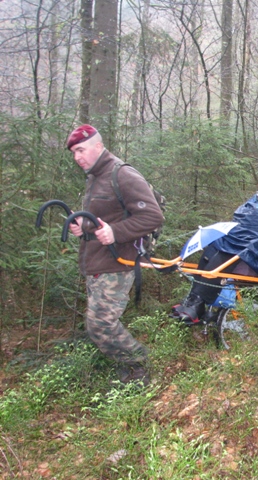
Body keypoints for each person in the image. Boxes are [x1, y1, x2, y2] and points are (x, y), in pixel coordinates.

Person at [67, 124, 164, 386]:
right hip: (98, 261)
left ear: (98, 146)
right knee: (100, 323)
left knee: (100, 325)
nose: (77, 157)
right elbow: (105, 216)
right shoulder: (95, 176)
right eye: (74, 152)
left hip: (118, 262)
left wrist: (116, 232)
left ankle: (139, 370)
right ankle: (130, 369)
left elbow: (153, 216)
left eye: (81, 150)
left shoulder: (122, 174)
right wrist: (83, 226)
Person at [171, 174, 258, 323]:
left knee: (230, 250)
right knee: (216, 244)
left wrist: (252, 242)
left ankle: (198, 303)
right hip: (251, 253)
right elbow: (247, 228)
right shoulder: (257, 206)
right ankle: (194, 301)